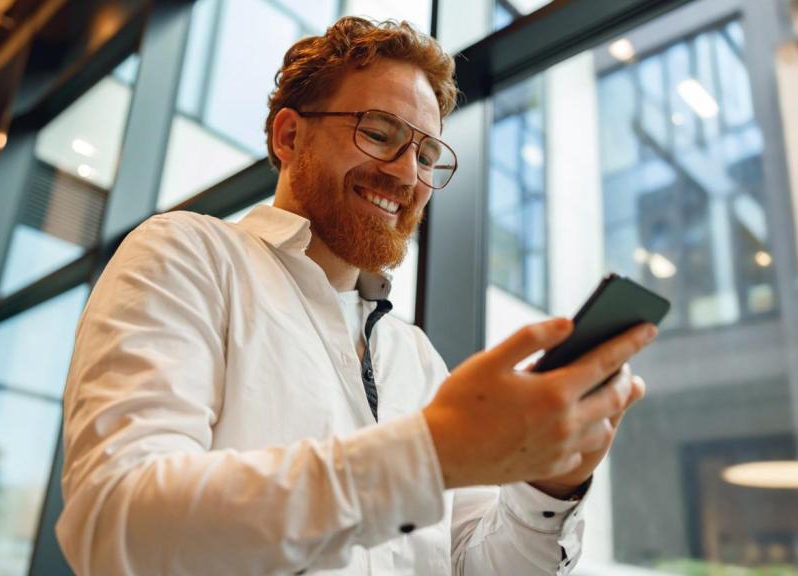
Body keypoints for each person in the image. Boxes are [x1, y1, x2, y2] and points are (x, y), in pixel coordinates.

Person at [56, 16, 655, 576]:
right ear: (290, 136)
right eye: (378, 133)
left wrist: (551, 489)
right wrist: (429, 453)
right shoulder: (188, 255)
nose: (406, 175)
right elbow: (117, 523)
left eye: (426, 154)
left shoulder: (416, 358)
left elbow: (475, 565)